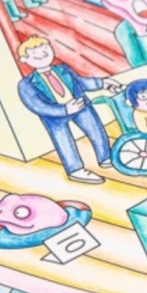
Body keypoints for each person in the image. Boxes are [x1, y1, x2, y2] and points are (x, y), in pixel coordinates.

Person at [16, 36, 121, 183]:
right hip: (55, 116)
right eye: (35, 53)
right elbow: (37, 106)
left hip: (80, 106)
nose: (42, 54)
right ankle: (75, 169)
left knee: (96, 130)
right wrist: (64, 110)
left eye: (45, 49)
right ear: (24, 59)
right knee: (63, 140)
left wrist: (103, 83)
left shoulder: (63, 69)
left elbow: (81, 83)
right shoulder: (26, 85)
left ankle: (106, 157)